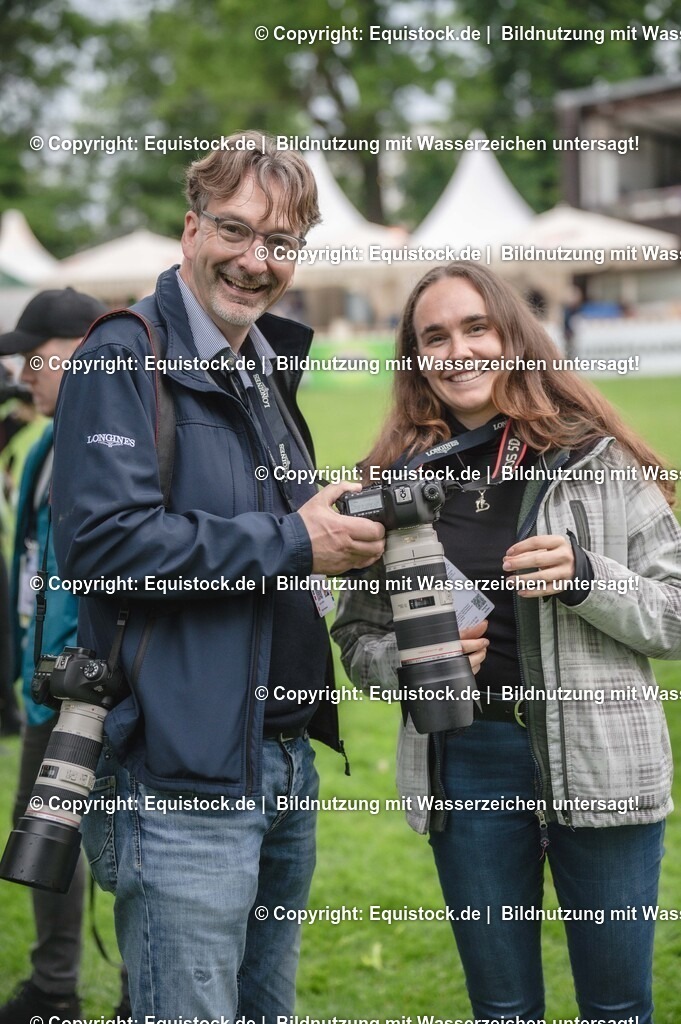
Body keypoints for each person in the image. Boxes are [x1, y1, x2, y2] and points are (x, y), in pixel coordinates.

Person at [50, 130, 385, 1019]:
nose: (254, 260)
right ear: (190, 229)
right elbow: (105, 548)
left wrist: (335, 524)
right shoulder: (123, 354)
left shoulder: (264, 365)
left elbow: (269, 536)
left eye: (280, 244)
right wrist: (291, 540)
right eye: (235, 231)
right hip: (180, 773)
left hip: (279, 761)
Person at [331, 261, 681, 1023]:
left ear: (512, 337)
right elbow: (356, 634)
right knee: (501, 1008)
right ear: (416, 357)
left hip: (602, 758)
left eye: (474, 328)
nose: (457, 351)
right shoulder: (392, 482)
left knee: (618, 1008)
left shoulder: (598, 461)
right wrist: (411, 667)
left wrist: (588, 577)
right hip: (469, 761)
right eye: (435, 337)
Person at [0, 289, 130, 1022]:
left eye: (37, 359)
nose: (24, 376)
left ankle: (141, 994)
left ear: (82, 353)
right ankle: (53, 989)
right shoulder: (46, 440)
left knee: (119, 842)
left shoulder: (115, 436)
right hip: (45, 687)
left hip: (96, 687)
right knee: (40, 837)